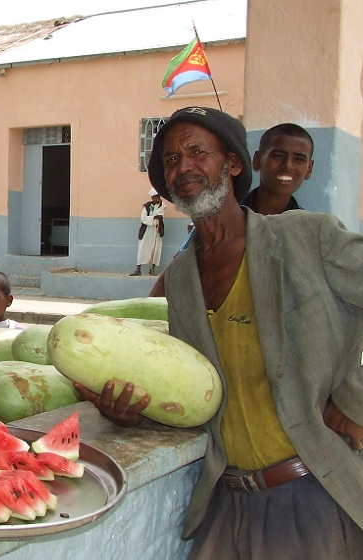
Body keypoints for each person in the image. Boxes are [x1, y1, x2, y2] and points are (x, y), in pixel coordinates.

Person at [78, 106, 363, 558]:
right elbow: (198, 393)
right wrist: (136, 414)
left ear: (232, 164)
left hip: (312, 492)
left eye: (197, 152)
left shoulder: (308, 237)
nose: (183, 166)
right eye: (171, 159)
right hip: (228, 502)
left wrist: (353, 398)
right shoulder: (180, 281)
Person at [150, 121, 316, 297]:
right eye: (277, 156)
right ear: (257, 160)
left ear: (309, 168)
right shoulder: (225, 219)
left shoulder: (309, 232)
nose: (288, 165)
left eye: (299, 159)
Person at [130, 188, 165, 276]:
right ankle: (138, 269)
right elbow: (143, 218)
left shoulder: (162, 206)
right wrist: (153, 218)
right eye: (155, 197)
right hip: (146, 230)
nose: (156, 199)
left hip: (156, 231)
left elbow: (160, 216)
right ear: (152, 198)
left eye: (158, 197)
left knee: (155, 249)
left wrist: (156, 219)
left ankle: (152, 269)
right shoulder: (146, 207)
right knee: (142, 248)